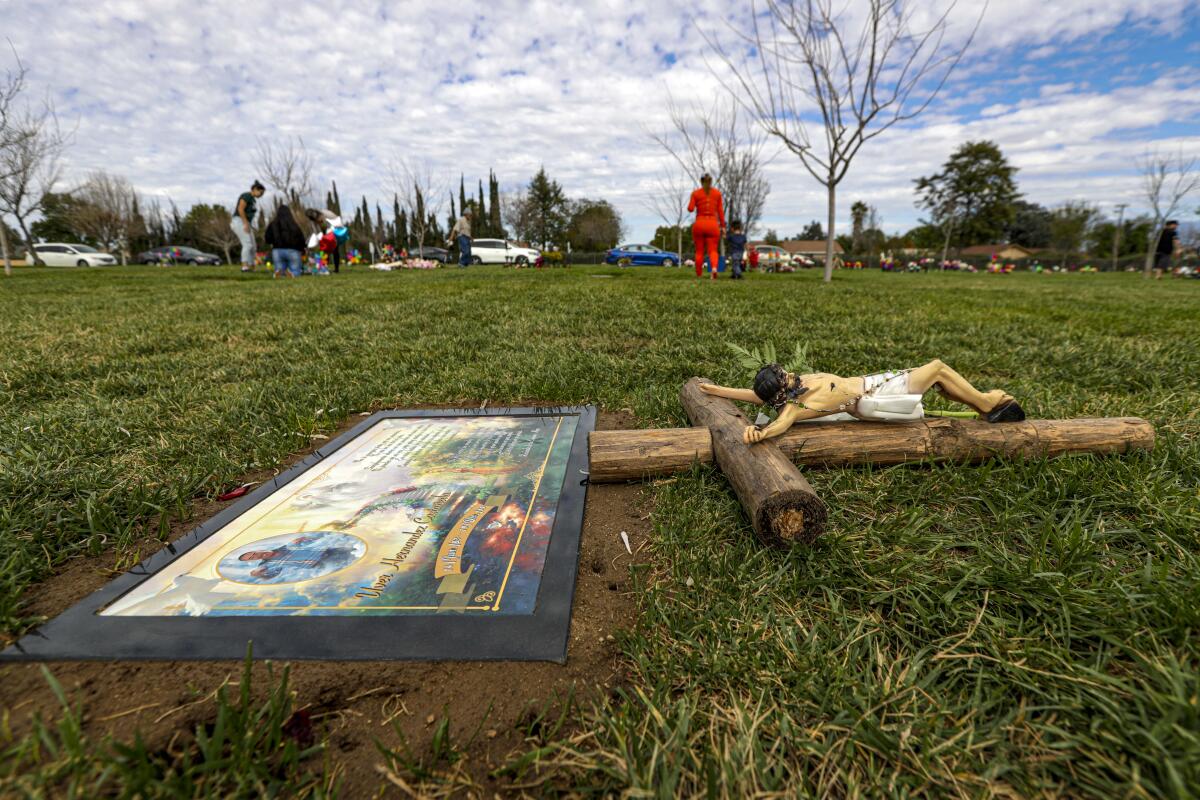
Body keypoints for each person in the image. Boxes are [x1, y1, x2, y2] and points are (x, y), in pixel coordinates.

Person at [700, 358, 1024, 444]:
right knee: (937, 369)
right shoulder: (797, 406)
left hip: (877, 380)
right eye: (783, 376)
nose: (789, 373)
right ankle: (986, 403)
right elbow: (781, 424)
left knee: (938, 374)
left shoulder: (795, 389)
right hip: (880, 395)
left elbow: (753, 396)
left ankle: (985, 404)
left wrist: (714, 390)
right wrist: (760, 434)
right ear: (782, 392)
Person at [688, 173, 725, 280]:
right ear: (711, 181)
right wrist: (723, 226)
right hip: (713, 225)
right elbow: (720, 212)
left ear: (701, 181)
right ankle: (713, 268)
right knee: (713, 250)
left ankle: (699, 274)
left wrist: (693, 201)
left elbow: (690, 209)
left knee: (699, 251)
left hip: (699, 224)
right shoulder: (717, 194)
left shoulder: (695, 193)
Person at [264, 205, 307, 279]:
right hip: (293, 251)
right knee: (295, 271)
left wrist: (272, 242)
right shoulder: (294, 224)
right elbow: (301, 238)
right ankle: (291, 274)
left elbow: (267, 238)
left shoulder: (273, 224)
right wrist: (302, 249)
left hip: (277, 251)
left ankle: (279, 273)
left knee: (279, 270)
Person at [231, 181, 266, 272]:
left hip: (246, 223)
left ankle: (251, 266)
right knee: (247, 244)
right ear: (254, 189)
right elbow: (240, 209)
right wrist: (245, 223)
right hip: (239, 221)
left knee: (253, 246)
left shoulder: (253, 200)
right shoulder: (246, 196)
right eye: (261, 192)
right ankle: (244, 266)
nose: (261, 195)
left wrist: (249, 224)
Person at [304, 208, 346, 273]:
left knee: (335, 249)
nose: (317, 220)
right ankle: (324, 267)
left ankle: (336, 269)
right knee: (323, 250)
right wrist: (319, 239)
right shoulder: (313, 221)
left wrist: (332, 233)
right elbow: (315, 231)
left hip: (333, 231)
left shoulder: (326, 214)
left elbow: (336, 221)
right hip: (324, 233)